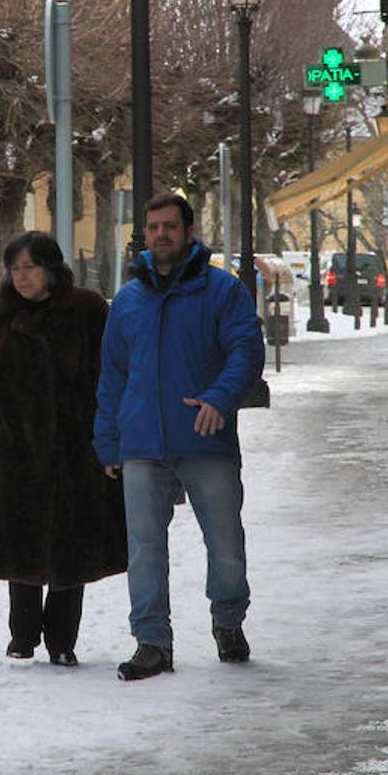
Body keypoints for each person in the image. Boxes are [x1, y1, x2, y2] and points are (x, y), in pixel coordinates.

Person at [94, 193, 264, 680]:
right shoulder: (128, 299)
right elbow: (113, 376)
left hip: (204, 439)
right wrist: (108, 440)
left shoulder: (223, 291)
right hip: (142, 443)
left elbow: (246, 351)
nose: (160, 234)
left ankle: (228, 622)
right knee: (145, 548)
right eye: (152, 227)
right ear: (143, 234)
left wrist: (219, 398)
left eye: (170, 226)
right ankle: (152, 642)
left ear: (189, 232)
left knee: (226, 543)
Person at [0, 231, 127, 667]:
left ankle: (63, 639)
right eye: (15, 268)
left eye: (30, 266)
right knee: (20, 547)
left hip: (75, 452)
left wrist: (113, 442)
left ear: (50, 267)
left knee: (71, 550)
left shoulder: (87, 311)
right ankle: (23, 634)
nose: (22, 276)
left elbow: (111, 381)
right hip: (18, 451)